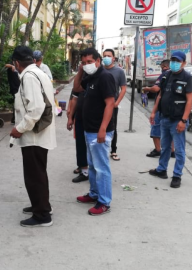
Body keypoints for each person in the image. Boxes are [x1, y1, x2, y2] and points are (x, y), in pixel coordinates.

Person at [10, 46, 57, 227]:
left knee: (34, 175)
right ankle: (42, 205)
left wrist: (19, 129)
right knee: (38, 173)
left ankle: (42, 215)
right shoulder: (38, 72)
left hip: (34, 135)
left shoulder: (29, 77)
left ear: (16, 63)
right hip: (39, 134)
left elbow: (36, 108)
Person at [75, 48, 115, 216]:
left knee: (101, 167)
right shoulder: (90, 76)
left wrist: (103, 129)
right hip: (89, 129)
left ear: (98, 61)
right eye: (84, 62)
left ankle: (104, 201)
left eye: (90, 62)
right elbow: (77, 88)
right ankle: (94, 194)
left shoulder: (105, 77)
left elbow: (110, 103)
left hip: (100, 131)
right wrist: (80, 71)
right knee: (92, 166)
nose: (87, 65)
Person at [148, 51, 192, 189]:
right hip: (164, 118)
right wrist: (154, 111)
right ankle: (162, 170)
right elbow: (161, 95)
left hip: (177, 120)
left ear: (184, 63)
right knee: (165, 146)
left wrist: (184, 120)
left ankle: (177, 175)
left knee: (179, 150)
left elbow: (189, 100)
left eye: (177, 61)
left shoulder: (187, 78)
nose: (174, 63)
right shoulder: (167, 75)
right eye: (173, 60)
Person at [142, 60, 175, 158]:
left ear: (164, 66)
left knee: (155, 127)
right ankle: (172, 151)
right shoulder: (176, 75)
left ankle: (157, 150)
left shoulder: (164, 75)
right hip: (172, 107)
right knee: (170, 130)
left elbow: (157, 90)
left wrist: (147, 88)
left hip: (161, 107)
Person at [102, 49, 127, 161]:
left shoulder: (119, 71)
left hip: (112, 105)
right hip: (99, 104)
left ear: (113, 58)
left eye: (109, 56)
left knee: (112, 127)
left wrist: (117, 103)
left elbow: (123, 88)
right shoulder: (99, 70)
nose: (106, 58)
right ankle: (101, 148)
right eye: (105, 56)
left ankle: (113, 150)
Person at [67, 74, 89, 184]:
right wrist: (70, 117)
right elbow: (74, 99)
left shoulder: (102, 78)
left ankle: (94, 172)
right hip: (80, 117)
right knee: (80, 144)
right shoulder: (80, 80)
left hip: (94, 120)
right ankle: (84, 171)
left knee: (93, 146)